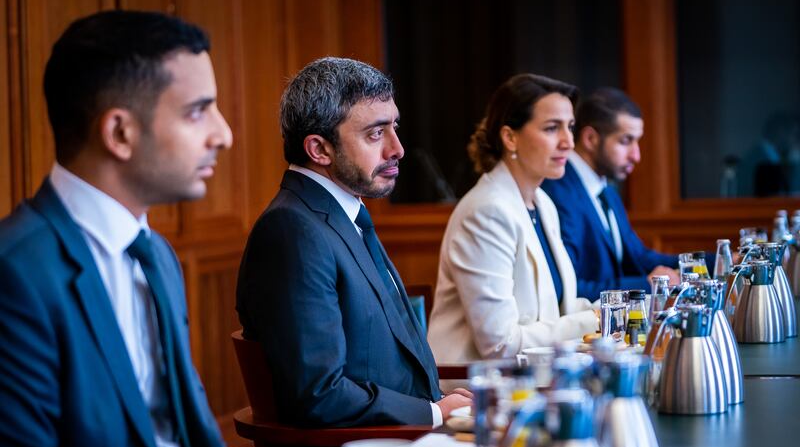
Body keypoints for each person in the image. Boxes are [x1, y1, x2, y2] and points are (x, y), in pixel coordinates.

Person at [0, 11, 290, 447]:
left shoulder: (155, 256)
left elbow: (190, 445)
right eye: (199, 112)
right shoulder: (16, 275)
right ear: (119, 132)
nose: (223, 134)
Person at [236, 57, 472, 428]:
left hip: (408, 434)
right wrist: (433, 414)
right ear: (319, 150)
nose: (397, 149)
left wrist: (444, 402)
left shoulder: (341, 213)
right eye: (376, 134)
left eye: (394, 127)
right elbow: (319, 394)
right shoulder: (292, 231)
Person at [427, 74, 599, 363]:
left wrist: (610, 310)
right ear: (510, 137)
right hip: (475, 390)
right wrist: (593, 320)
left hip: (534, 377)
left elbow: (554, 310)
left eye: (570, 127)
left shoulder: (542, 202)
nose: (568, 142)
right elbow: (500, 344)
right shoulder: (486, 211)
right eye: (551, 128)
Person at [540, 88, 679, 302]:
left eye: (637, 141)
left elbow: (638, 257)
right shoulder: (557, 191)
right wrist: (647, 285)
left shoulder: (606, 190)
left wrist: (709, 261)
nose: (636, 155)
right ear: (590, 138)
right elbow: (567, 289)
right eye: (626, 141)